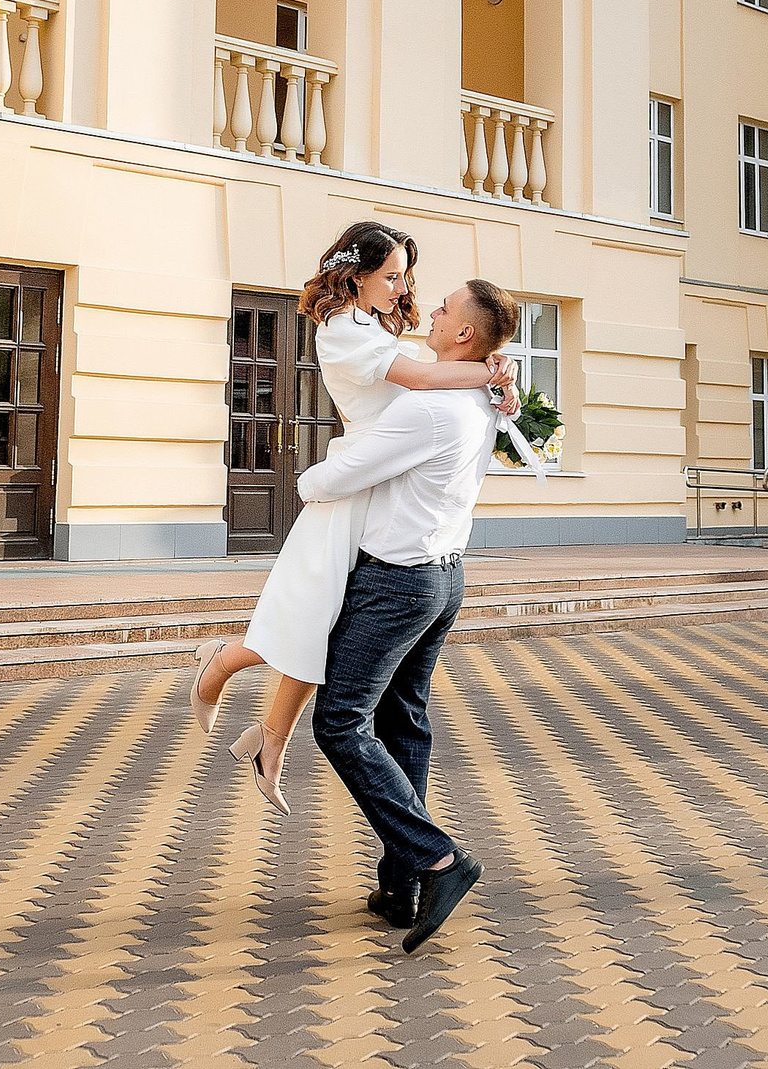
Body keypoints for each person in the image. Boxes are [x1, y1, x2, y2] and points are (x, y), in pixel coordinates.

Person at [186, 223, 516, 813]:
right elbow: (419, 377)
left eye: (404, 275)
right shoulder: (343, 329)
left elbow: (433, 370)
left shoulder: (374, 324)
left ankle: (269, 743)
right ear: (357, 274)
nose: (402, 286)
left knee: (317, 625)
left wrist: (497, 377)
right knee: (308, 621)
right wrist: (491, 375)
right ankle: (224, 665)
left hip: (377, 484)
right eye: (391, 275)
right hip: (355, 485)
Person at [304, 277, 521, 952]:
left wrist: (311, 473)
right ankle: (402, 885)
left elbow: (331, 480)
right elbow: (505, 412)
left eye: (446, 307)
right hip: (444, 577)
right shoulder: (479, 396)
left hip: (396, 583)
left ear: (462, 335)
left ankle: (438, 859)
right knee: (403, 722)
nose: (430, 308)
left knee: (339, 721)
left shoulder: (434, 407)